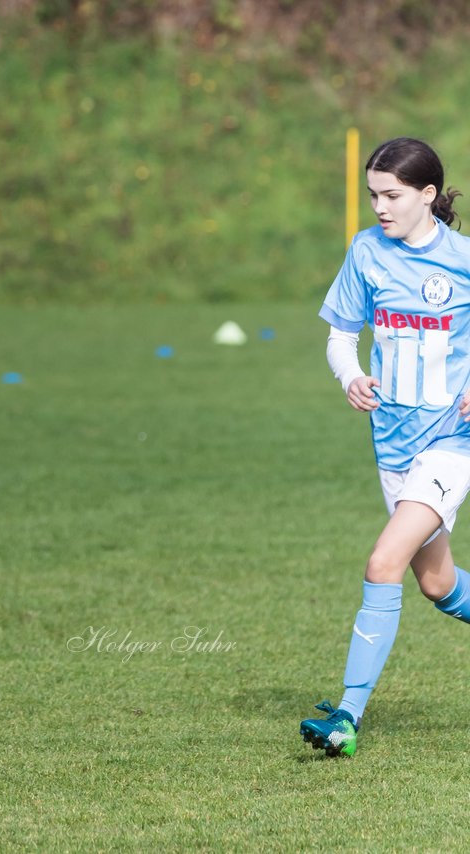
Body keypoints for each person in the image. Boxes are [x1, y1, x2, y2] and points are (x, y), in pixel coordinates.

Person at [303, 137, 470, 757]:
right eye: (373, 194)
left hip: (453, 442)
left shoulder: (464, 259)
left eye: (392, 195)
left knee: (383, 563)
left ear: (428, 195)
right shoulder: (366, 252)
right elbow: (340, 338)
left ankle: (345, 718)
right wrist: (351, 376)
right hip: (393, 445)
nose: (379, 206)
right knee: (437, 584)